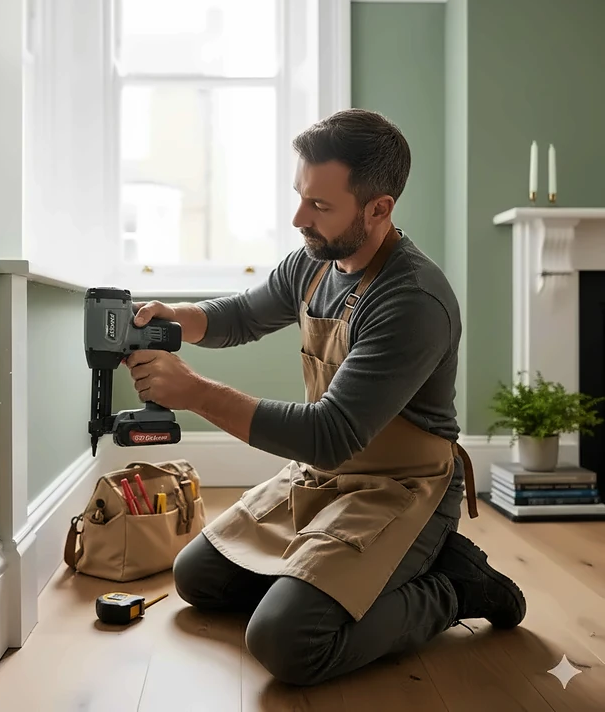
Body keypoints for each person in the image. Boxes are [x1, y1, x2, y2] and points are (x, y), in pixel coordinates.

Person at [123, 108, 526, 687]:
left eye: (319, 205)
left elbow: (329, 433)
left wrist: (194, 393)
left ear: (379, 208)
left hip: (401, 488)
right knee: (199, 578)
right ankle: (339, 580)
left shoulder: (412, 300)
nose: (297, 218)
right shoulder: (316, 264)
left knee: (287, 643)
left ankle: (452, 587)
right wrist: (175, 318)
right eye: (299, 196)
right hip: (325, 478)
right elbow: (238, 316)